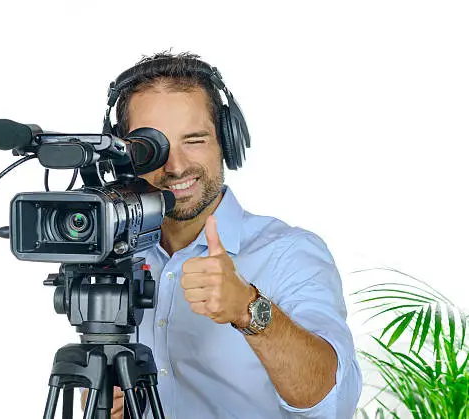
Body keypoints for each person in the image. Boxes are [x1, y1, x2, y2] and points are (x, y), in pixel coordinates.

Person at [82, 51, 362, 418]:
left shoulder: (289, 253)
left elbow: (333, 403)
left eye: (194, 140)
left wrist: (249, 309)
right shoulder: (112, 255)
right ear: (120, 155)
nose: (176, 166)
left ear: (226, 143)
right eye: (151, 146)